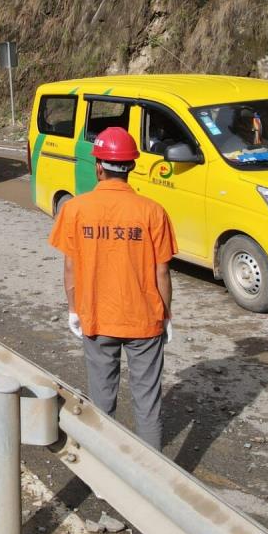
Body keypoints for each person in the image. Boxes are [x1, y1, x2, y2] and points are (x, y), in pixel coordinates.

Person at [49, 126, 176, 449]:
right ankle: (153, 476)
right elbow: (162, 272)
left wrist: (74, 309)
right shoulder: (153, 212)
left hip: (96, 316)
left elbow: (70, 267)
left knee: (102, 401)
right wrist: (166, 315)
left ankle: (106, 473)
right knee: (148, 403)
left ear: (99, 167)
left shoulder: (75, 209)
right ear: (132, 166)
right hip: (144, 319)